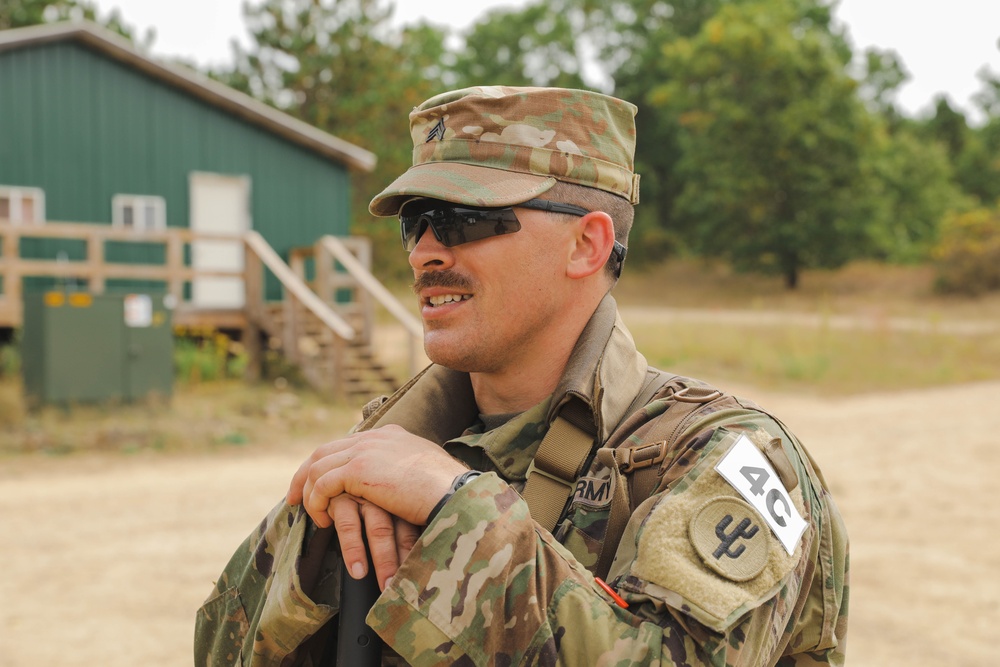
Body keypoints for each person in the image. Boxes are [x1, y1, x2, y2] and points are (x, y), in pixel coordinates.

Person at [195, 86, 849, 666]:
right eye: (414, 224)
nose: (425, 251)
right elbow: (217, 649)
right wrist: (313, 543)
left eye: (462, 219)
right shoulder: (386, 446)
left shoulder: (730, 456)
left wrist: (455, 506)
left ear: (586, 245)